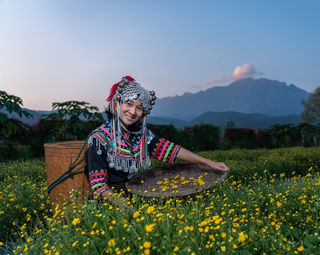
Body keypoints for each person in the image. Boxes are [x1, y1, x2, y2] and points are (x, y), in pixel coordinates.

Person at [85, 75, 229, 205]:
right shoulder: (99, 138)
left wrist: (210, 163)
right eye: (129, 104)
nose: (133, 112)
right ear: (117, 104)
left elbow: (171, 149)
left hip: (136, 196)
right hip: (108, 203)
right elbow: (99, 186)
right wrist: (126, 207)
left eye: (139, 108)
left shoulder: (141, 136)